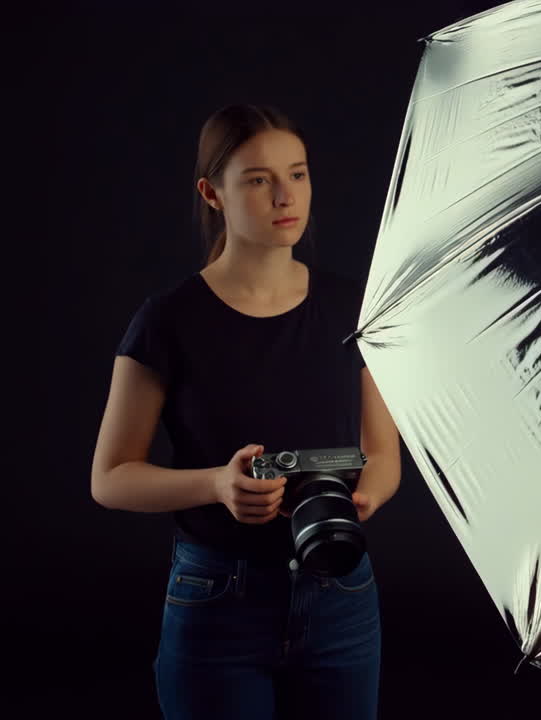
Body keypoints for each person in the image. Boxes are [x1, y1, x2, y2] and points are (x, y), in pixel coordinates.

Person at [89, 104, 401, 720]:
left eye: (298, 174)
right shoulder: (168, 320)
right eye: (259, 179)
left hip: (341, 587)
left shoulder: (354, 307)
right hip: (216, 600)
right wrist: (215, 485)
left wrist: (367, 499)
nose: (286, 195)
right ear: (213, 193)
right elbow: (110, 477)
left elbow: (383, 451)